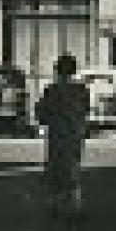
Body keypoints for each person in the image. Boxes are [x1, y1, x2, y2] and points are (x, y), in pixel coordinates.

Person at [33, 53, 90, 216]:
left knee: (55, 167)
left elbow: (42, 115)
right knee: (73, 166)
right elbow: (85, 111)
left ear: (57, 70)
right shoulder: (81, 90)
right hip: (75, 133)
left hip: (56, 133)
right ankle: (74, 203)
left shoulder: (51, 90)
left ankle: (55, 204)